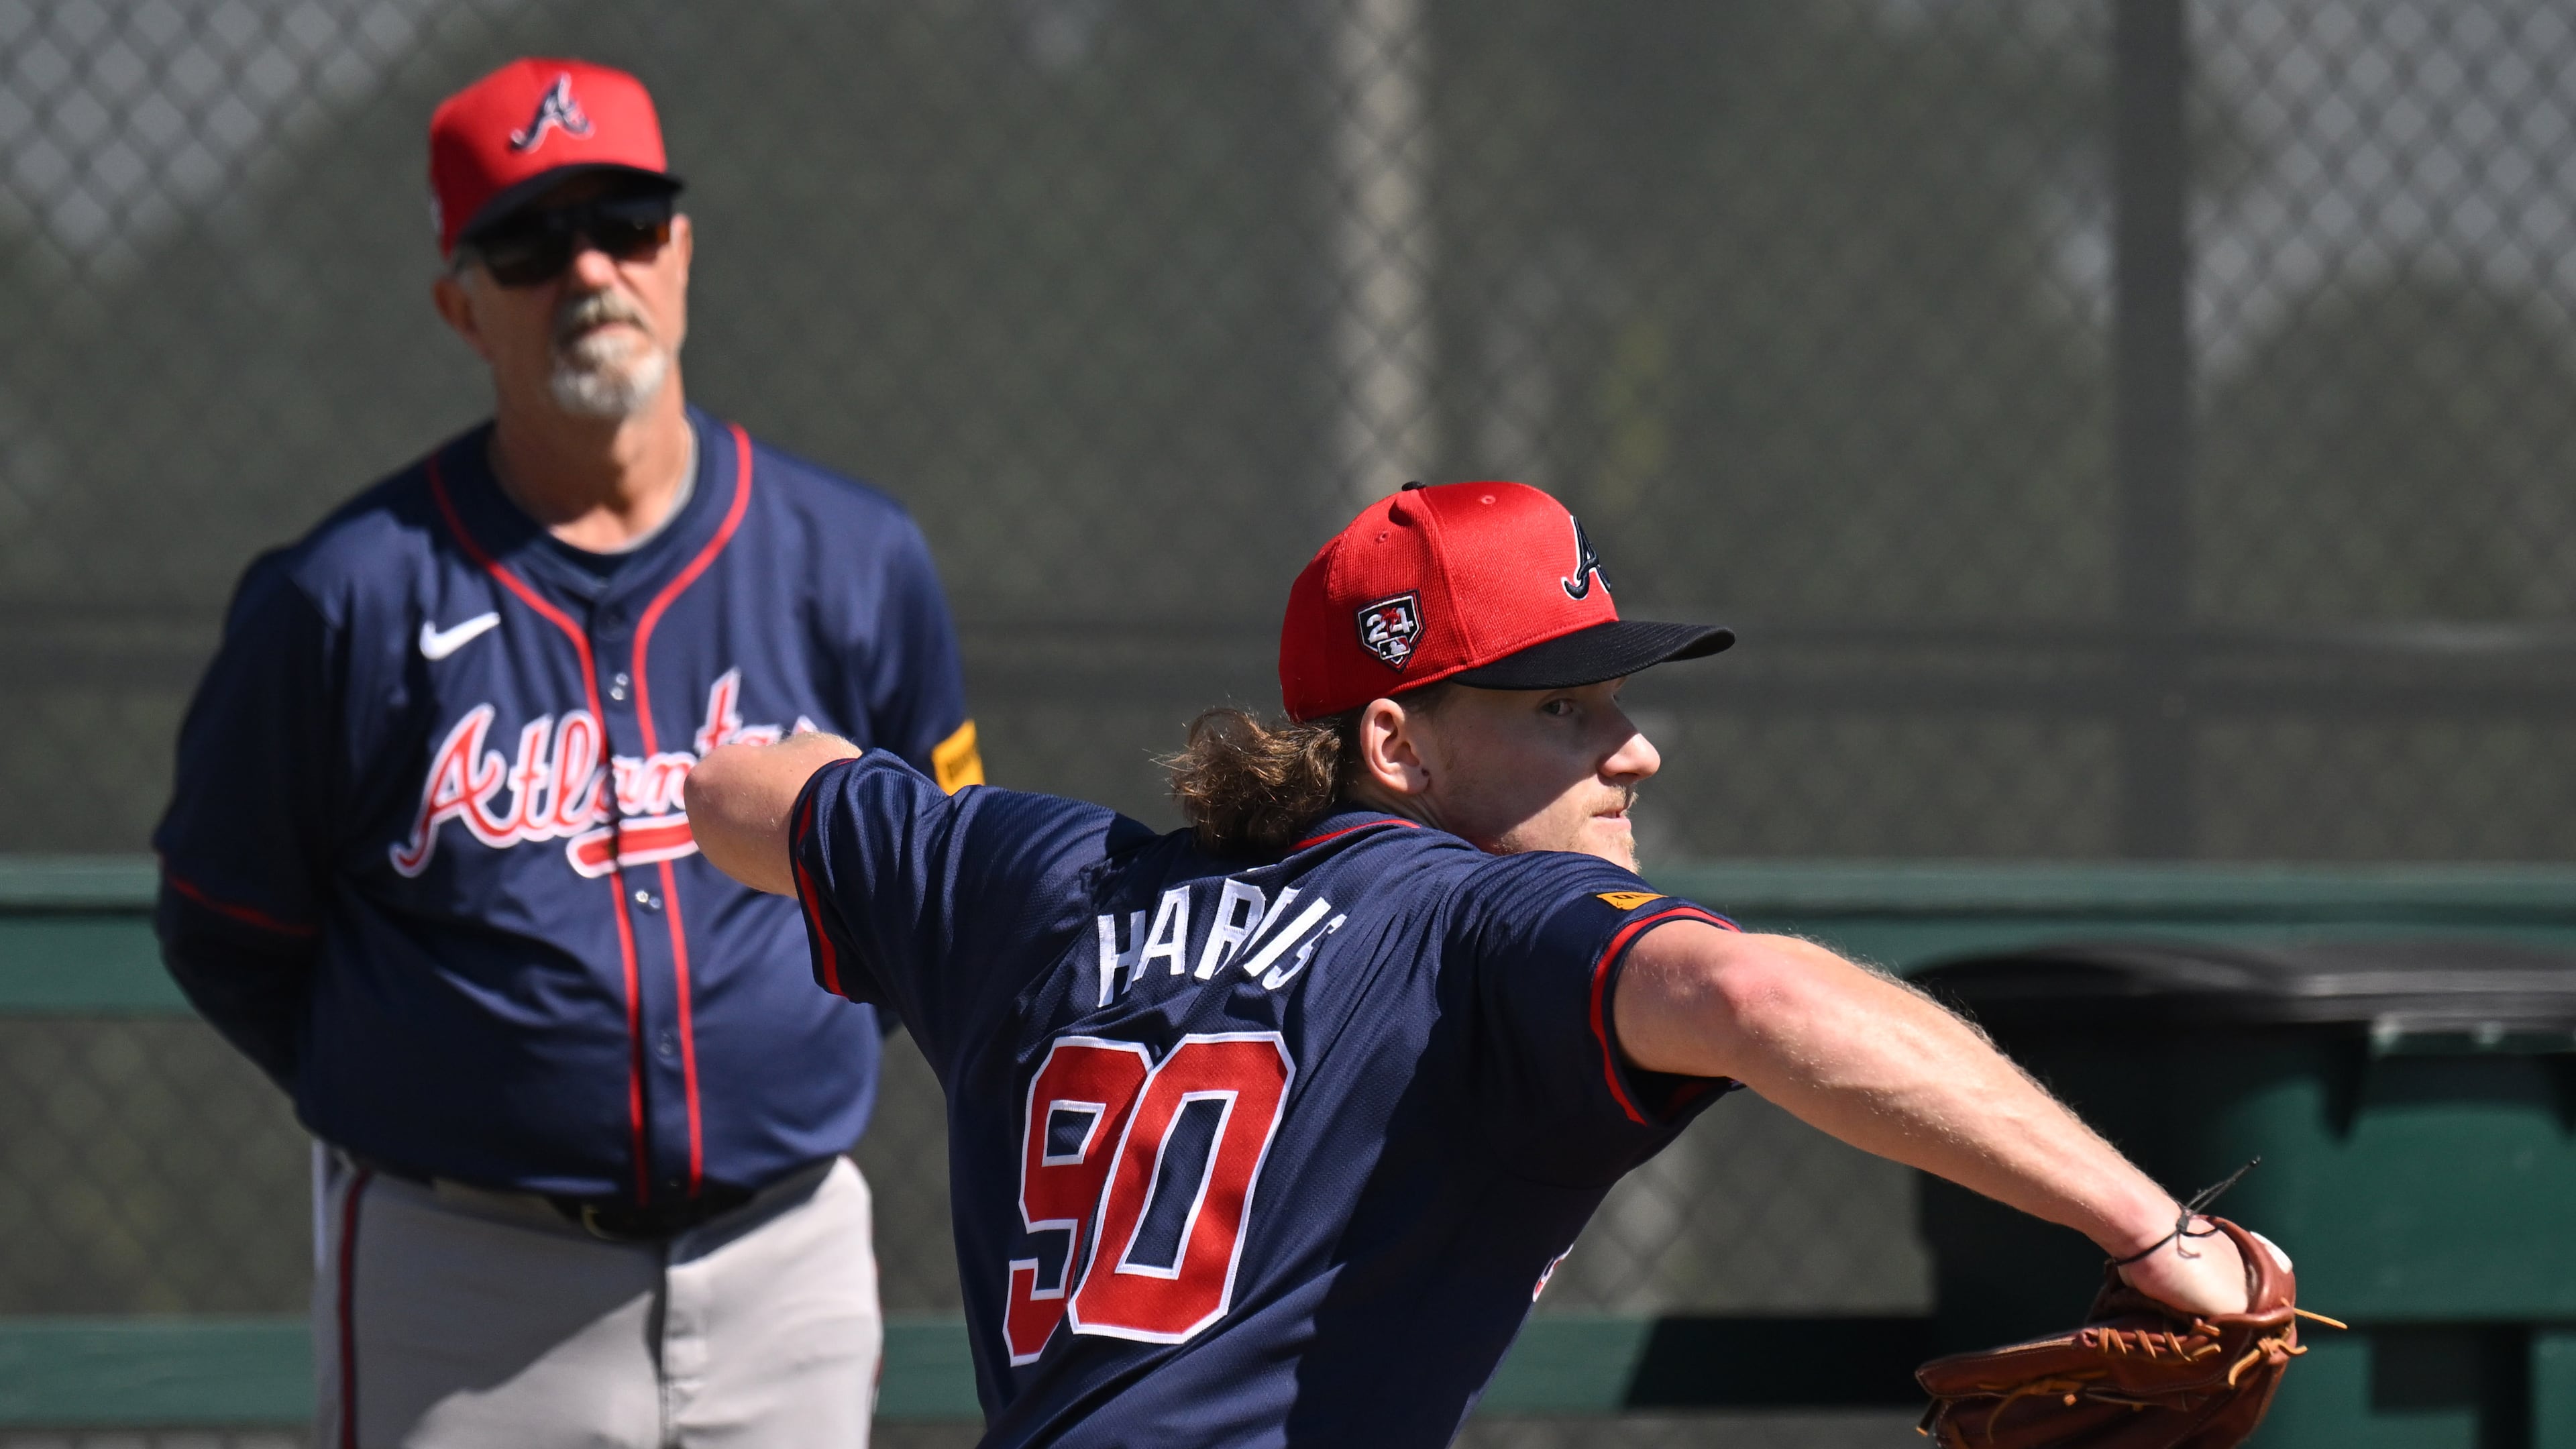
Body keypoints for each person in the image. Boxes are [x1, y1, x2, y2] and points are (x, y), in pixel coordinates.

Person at [686, 480, 2257, 1446]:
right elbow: (1759, 997)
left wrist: (920, 854)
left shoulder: (1046, 878)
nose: (1632, 752)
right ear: (1394, 741)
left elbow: (735, 788)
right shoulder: (1476, 931)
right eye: (1563, 708)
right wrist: (2151, 1224)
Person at [153, 56, 979, 1449]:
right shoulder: (343, 597)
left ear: (685, 250)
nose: (591, 268)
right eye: (531, 240)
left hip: (788, 1260)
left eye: (628, 223)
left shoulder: (856, 560)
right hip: (465, 1280)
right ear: (458, 303)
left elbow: (929, 888)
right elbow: (226, 924)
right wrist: (433, 1068)